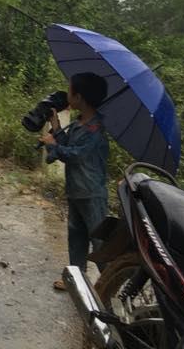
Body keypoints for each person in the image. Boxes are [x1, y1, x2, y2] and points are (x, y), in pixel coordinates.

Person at [40, 71, 110, 291]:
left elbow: (76, 155)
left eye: (70, 90)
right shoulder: (80, 123)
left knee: (99, 243)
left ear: (79, 97)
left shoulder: (95, 129)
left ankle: (110, 283)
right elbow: (68, 144)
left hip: (91, 194)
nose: (67, 93)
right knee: (76, 237)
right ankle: (75, 279)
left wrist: (53, 146)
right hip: (76, 191)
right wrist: (57, 127)